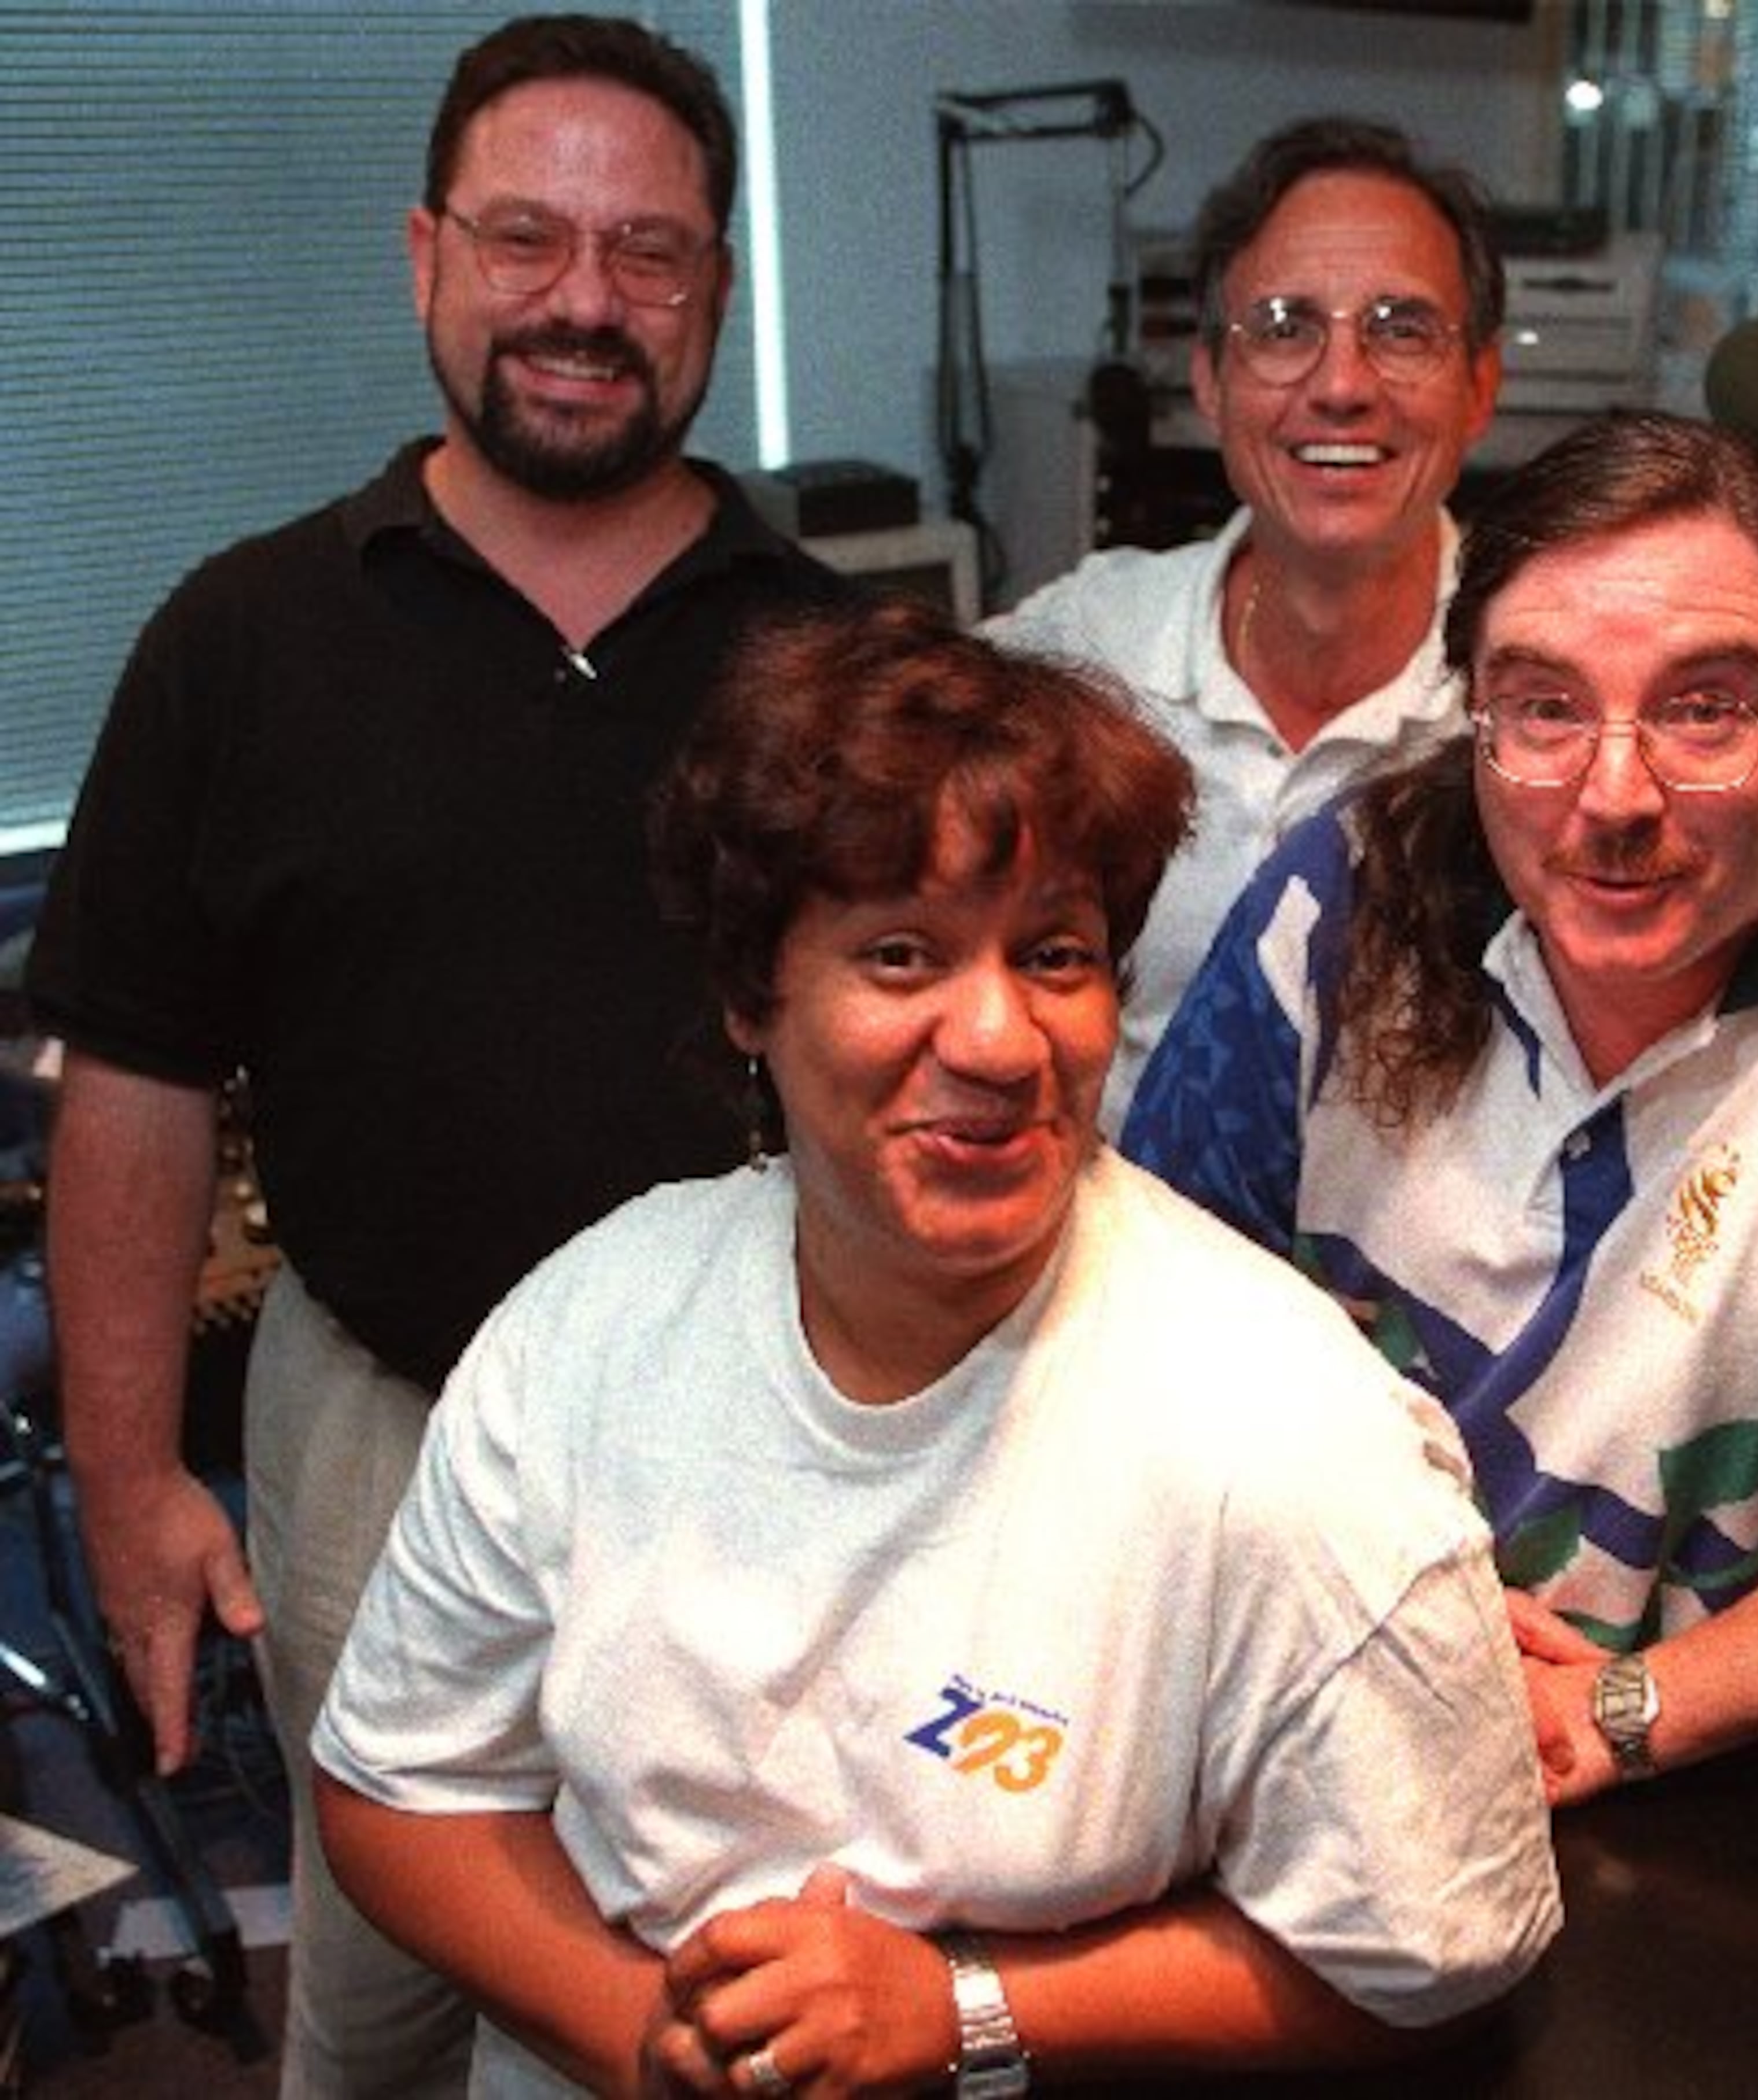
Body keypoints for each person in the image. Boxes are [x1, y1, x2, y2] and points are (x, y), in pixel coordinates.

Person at [308, 599, 1561, 2099]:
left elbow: (1439, 1952)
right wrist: (644, 2041)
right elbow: (404, 1783)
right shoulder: (589, 1330)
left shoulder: (1298, 1443)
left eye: (1055, 954)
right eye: (901, 953)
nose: (997, 1040)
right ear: (749, 995)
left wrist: (963, 2012)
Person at [27, 16, 855, 2091]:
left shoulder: (839, 661)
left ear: (717, 298)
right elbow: (132, 1076)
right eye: (527, 239)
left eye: (648, 256)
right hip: (376, 1428)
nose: (584, 302)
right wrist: (133, 1486)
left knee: (714, 1960)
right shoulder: (243, 639)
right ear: (425, 259)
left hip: (760, 1450)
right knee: (387, 1966)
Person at [1126, 410, 1758, 1808]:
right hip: (1294, 1679)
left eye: (1704, 707)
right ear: (1474, 710)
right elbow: (1144, 1289)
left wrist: (1617, 1709)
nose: (1613, 796)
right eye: (1544, 707)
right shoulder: (1341, 897)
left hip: (1689, 1802)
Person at [986, 115, 1503, 1129]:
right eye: (1283, 327)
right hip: (1113, 1258)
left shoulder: (1557, 677)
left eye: (1402, 329)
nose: (1343, 386)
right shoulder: (1089, 645)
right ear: (1210, 385)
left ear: (1480, 386)